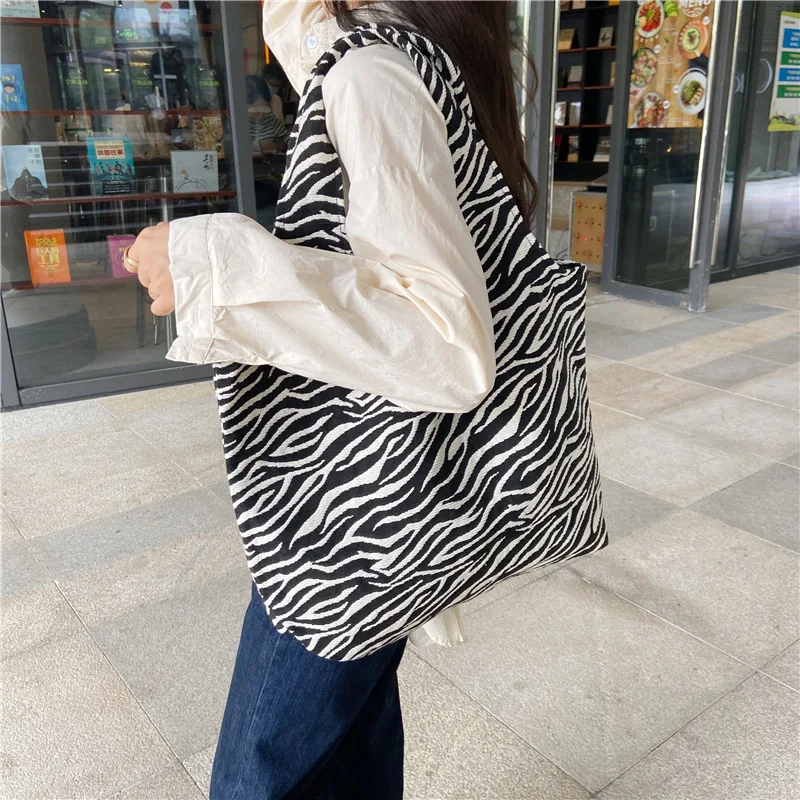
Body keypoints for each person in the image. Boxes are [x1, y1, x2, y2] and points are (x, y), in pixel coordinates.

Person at [125, 1, 537, 796]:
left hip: (346, 521)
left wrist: (211, 266)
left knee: (256, 776)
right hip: (388, 499)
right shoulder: (401, 57)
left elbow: (444, 342)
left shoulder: (371, 72)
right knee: (353, 744)